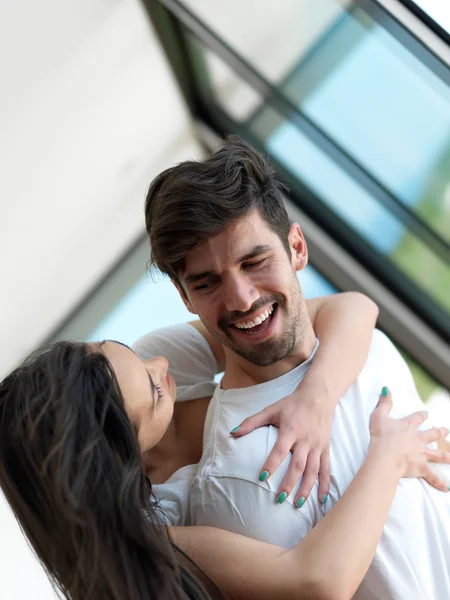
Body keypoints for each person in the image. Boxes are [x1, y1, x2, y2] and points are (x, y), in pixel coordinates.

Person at [143, 135, 450, 599]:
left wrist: (316, 398)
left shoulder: (368, 344)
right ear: (186, 299)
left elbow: (355, 306)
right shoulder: (237, 473)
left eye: (254, 261)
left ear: (297, 248)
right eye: (206, 284)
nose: (242, 299)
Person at [1, 330, 449, 600]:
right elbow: (319, 583)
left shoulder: (169, 368)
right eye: (154, 392)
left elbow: (351, 306)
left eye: (134, 355)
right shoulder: (158, 542)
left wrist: (317, 395)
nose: (161, 363)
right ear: (116, 458)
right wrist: (389, 456)